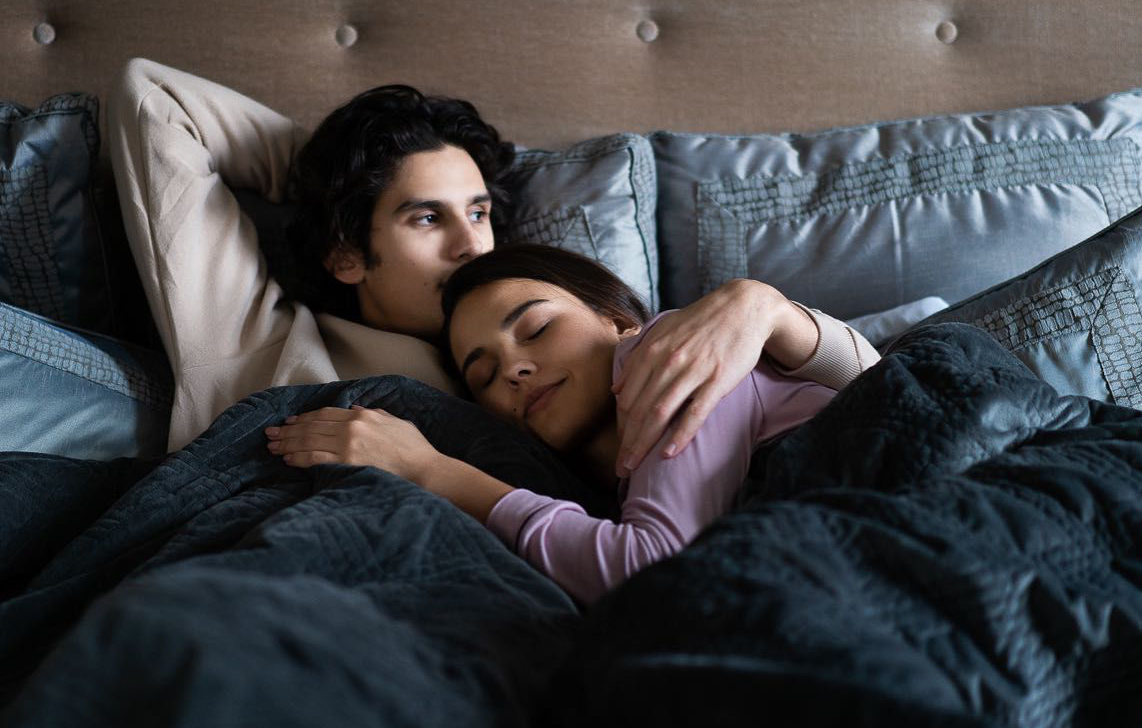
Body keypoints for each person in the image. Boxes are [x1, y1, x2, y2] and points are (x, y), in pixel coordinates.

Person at [110, 58, 869, 473]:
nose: (472, 247)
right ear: (346, 254)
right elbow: (152, 96)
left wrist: (762, 307)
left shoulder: (566, 354)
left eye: (478, 213)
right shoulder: (259, 338)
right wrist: (334, 182)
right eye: (425, 217)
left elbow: (867, 399)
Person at [264, 244, 880, 604]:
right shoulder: (598, 483)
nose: (514, 370)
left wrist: (429, 468)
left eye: (535, 329)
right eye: (483, 376)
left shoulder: (665, 351)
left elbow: (649, 570)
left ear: (616, 320)